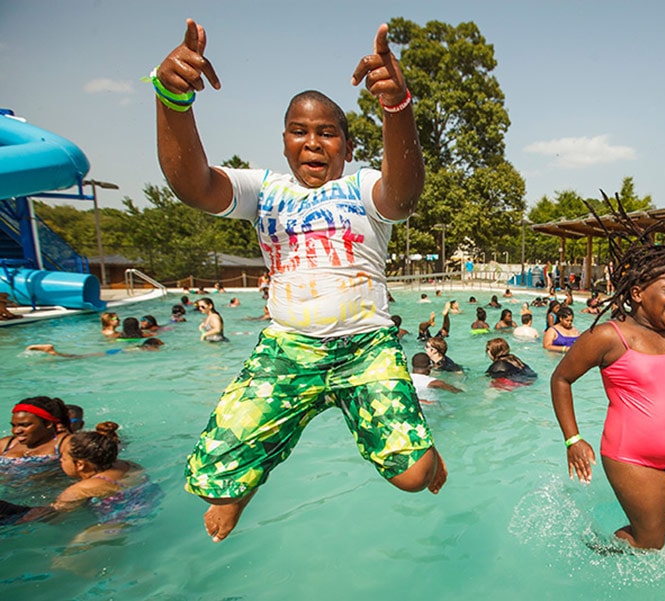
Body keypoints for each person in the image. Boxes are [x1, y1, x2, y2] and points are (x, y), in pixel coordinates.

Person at [155, 19, 444, 542]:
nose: (313, 143)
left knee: (414, 478)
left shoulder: (365, 187)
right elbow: (193, 185)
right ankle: (248, 482)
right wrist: (171, 99)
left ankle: (419, 447)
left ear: (348, 146)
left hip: (365, 348)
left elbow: (404, 195)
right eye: (300, 131)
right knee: (213, 474)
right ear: (285, 143)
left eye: (327, 132)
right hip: (288, 349)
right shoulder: (263, 190)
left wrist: (397, 107)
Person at [550, 194, 665, 550]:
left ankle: (652, 536)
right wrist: (573, 439)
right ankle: (605, 548)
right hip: (632, 455)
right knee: (650, 545)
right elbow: (561, 378)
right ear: (638, 294)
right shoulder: (608, 337)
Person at [0, 423, 161, 526]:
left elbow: (50, 516)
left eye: (63, 458)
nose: (61, 462)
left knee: (63, 562)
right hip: (147, 514)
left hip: (116, 527)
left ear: (81, 464)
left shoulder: (80, 489)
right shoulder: (127, 465)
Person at [0, 396, 71, 475]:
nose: (16, 431)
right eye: (13, 425)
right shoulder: (5, 445)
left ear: (48, 423)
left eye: (25, 425)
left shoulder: (65, 444)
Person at [26, 338, 165, 358]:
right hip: (113, 354)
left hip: (113, 352)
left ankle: (55, 353)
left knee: (79, 357)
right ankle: (53, 352)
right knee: (78, 358)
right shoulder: (146, 348)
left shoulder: (137, 346)